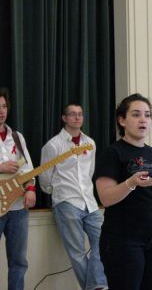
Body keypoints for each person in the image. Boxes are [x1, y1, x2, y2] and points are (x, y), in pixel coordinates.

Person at [95, 93, 152, 290]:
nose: (143, 120)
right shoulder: (113, 153)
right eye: (136, 114)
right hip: (123, 239)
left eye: (147, 115)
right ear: (122, 120)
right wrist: (131, 182)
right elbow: (106, 197)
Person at [39, 103, 108, 290]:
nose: (77, 117)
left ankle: (94, 286)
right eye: (73, 114)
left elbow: (90, 172)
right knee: (77, 252)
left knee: (103, 243)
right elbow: (45, 177)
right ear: (64, 118)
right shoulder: (53, 145)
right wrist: (58, 191)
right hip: (66, 202)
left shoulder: (90, 143)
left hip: (90, 202)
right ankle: (98, 287)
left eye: (80, 114)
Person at [0, 87, 36, 290]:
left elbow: (28, 168)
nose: (1, 111)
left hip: (18, 207)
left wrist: (30, 189)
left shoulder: (17, 137)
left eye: (4, 106)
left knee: (19, 262)